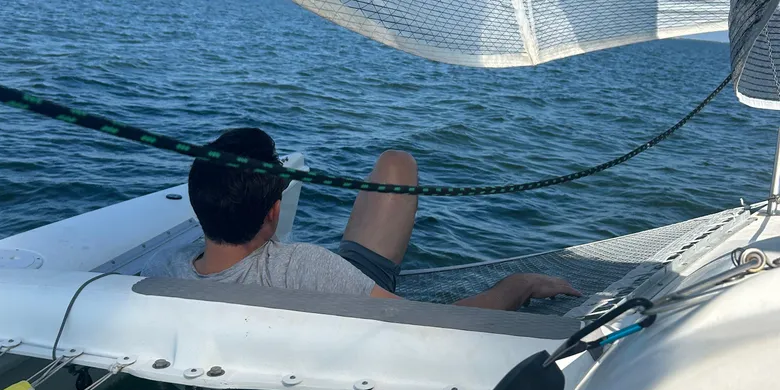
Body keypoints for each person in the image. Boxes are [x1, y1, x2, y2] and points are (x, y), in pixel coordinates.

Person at [141, 128, 580, 310]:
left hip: (303, 298)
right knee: (396, 164)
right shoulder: (304, 265)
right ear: (273, 212)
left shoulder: (166, 268)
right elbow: (432, 325)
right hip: (348, 291)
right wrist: (520, 285)